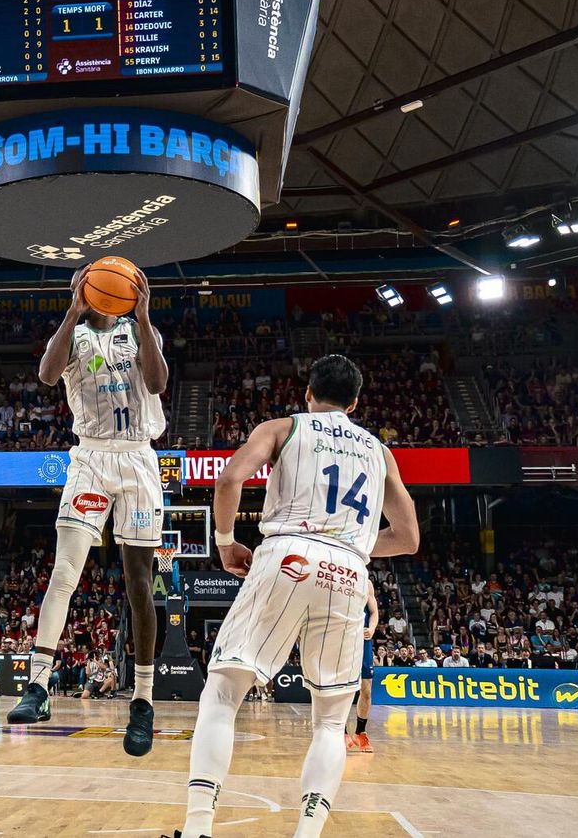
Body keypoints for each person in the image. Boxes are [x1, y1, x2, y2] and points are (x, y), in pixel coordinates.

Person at [178, 354, 420, 838]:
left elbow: (229, 480)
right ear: (354, 402)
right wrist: (346, 547)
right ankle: (307, 833)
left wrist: (226, 545)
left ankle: (199, 827)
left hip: (287, 555)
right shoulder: (379, 451)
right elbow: (410, 537)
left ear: (308, 393)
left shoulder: (283, 427)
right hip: (349, 571)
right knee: (331, 722)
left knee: (223, 694)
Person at [6, 265, 169, 757]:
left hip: (139, 458)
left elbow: (158, 382)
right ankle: (38, 686)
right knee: (64, 572)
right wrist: (73, 309)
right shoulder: (72, 336)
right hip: (91, 458)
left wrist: (142, 315)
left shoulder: (142, 331)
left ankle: (142, 700)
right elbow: (46, 374)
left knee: (139, 585)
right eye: (90, 285)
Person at [345, 582, 377, 753]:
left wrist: (371, 628)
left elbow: (374, 612)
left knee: (366, 690)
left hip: (363, 642)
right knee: (341, 689)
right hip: (341, 638)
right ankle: (341, 733)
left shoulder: (366, 583)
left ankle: (360, 732)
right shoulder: (336, 577)